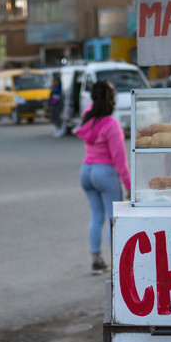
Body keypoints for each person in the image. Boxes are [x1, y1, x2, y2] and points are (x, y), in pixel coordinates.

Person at [73, 80, 130, 275]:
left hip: (86, 171)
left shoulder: (87, 118)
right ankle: (119, 264)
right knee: (113, 219)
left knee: (96, 217)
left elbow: (92, 107)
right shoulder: (111, 125)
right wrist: (128, 184)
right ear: (112, 100)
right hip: (104, 173)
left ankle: (96, 261)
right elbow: (120, 160)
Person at [50, 73, 65, 137]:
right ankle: (58, 129)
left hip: (57, 105)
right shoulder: (54, 87)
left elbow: (59, 96)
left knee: (57, 117)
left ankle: (60, 129)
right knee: (53, 117)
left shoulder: (59, 88)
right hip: (53, 104)